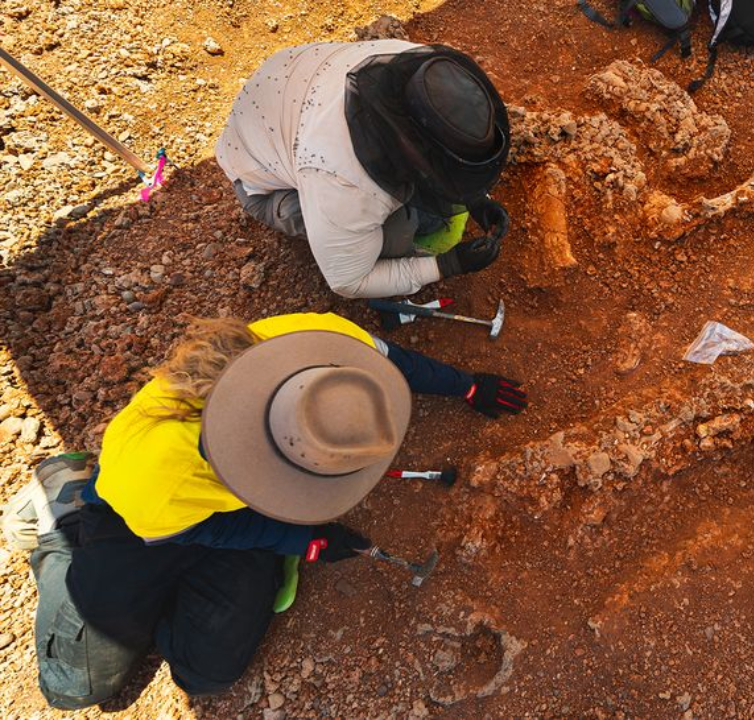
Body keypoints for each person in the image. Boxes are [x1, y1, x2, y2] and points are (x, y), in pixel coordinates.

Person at [16, 312, 527, 709]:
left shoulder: (317, 341)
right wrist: (299, 540)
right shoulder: (158, 478)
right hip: (141, 523)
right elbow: (216, 531)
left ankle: (146, 603)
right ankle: (64, 514)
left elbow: (391, 359)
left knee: (205, 673)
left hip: (206, 514)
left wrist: (466, 385)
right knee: (76, 685)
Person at [216, 41, 512, 298]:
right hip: (260, 178)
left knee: (418, 215)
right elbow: (349, 282)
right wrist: (448, 265)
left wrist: (476, 200)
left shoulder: (416, 71)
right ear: (416, 151)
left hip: (284, 84)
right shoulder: (341, 181)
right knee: (398, 233)